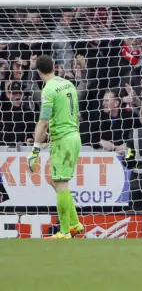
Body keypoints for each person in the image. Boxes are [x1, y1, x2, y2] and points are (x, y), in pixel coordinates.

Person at [27, 55, 82, 239]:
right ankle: (75, 224)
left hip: (63, 140)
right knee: (55, 181)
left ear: (38, 72)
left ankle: (65, 231)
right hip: (74, 136)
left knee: (61, 184)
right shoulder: (68, 84)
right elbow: (77, 115)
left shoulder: (48, 90)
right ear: (54, 67)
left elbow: (43, 123)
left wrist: (35, 150)